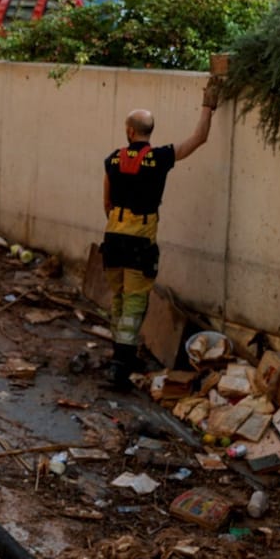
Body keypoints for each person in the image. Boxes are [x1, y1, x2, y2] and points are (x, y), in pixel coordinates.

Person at [101, 82, 219, 387]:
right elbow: (199, 138)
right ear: (148, 132)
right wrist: (209, 104)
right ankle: (120, 367)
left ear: (129, 131)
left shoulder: (113, 159)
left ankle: (120, 356)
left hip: (113, 238)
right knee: (135, 303)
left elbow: (107, 202)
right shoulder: (161, 157)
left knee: (119, 298)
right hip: (141, 240)